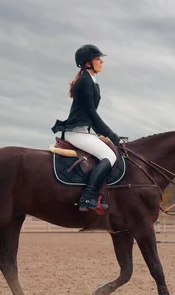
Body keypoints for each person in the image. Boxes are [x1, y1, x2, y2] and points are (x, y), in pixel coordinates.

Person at [51, 44, 122, 212]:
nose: (101, 62)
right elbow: (91, 112)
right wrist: (109, 133)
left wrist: (103, 133)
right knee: (109, 156)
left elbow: (90, 114)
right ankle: (87, 197)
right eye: (98, 59)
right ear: (87, 63)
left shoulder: (91, 81)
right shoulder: (84, 81)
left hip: (83, 130)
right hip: (76, 132)